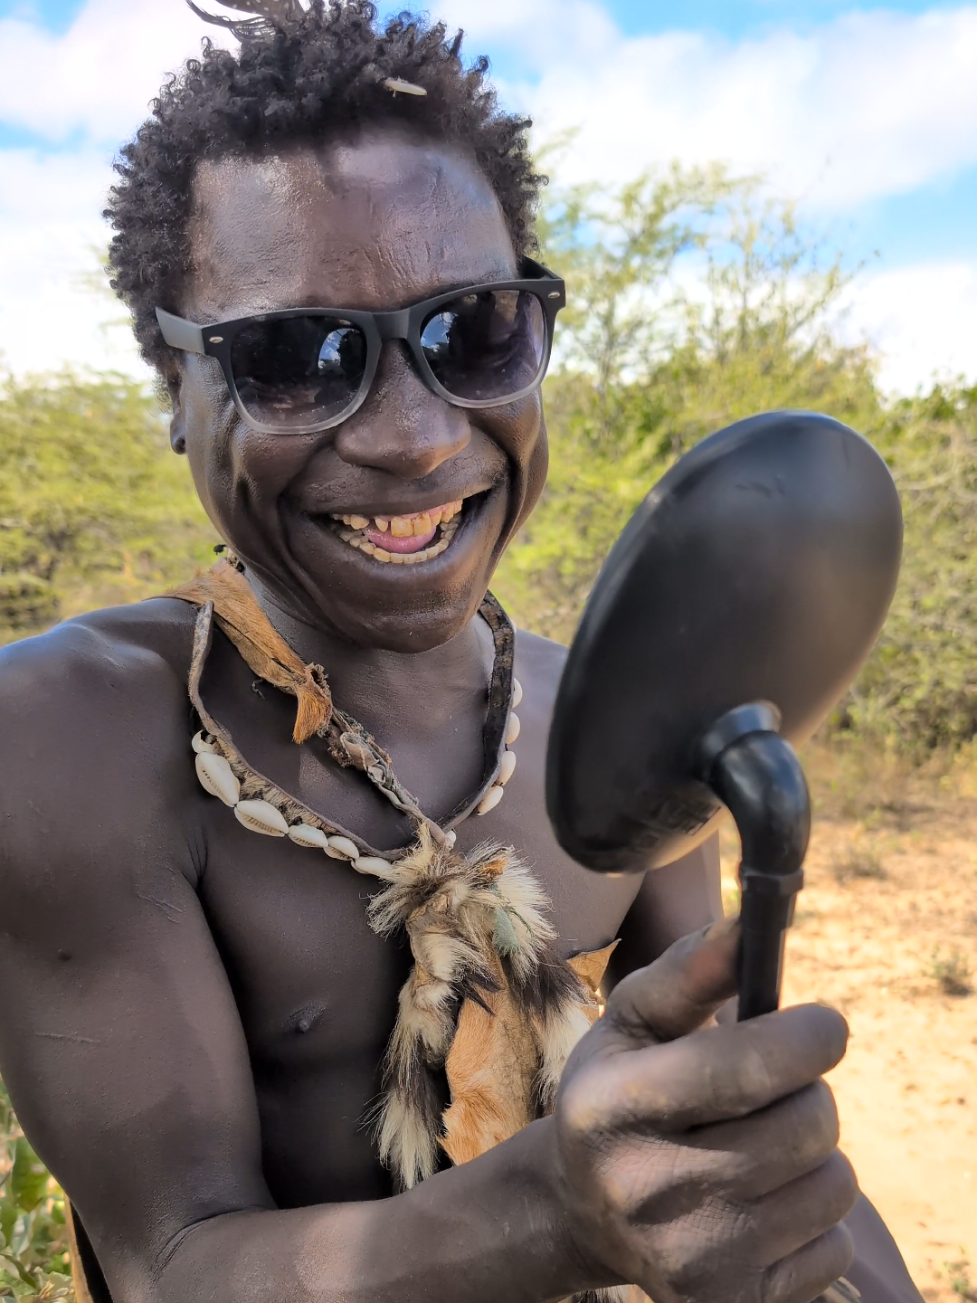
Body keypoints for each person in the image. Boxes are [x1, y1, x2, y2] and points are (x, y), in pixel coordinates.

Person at [0, 4, 923, 1302]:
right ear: (174, 385)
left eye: (474, 329)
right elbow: (174, 1261)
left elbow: (732, 1138)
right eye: (296, 356)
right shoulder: (72, 742)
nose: (417, 438)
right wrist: (548, 1211)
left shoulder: (623, 719)